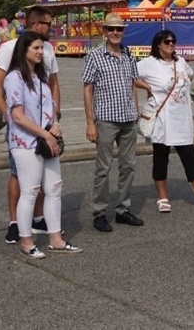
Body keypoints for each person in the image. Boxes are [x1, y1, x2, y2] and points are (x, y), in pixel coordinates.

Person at [3, 31, 81, 258]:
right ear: (24, 50)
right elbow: (17, 116)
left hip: (46, 140)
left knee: (54, 188)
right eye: (36, 48)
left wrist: (55, 125)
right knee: (30, 191)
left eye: (42, 48)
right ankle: (26, 242)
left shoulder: (42, 79)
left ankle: (56, 238)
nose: (41, 52)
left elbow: (51, 109)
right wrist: (45, 135)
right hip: (25, 142)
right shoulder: (14, 78)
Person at [0, 6, 61, 244]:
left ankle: (38, 217)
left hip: (45, 122)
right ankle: (15, 223)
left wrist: (55, 117)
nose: (51, 28)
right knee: (18, 174)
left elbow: (53, 83)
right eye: (48, 24)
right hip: (20, 124)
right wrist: (8, 116)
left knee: (43, 173)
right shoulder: (10, 48)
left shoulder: (48, 49)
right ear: (34, 23)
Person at [137, 30, 194, 213]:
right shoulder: (148, 64)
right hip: (162, 121)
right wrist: (147, 86)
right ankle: (162, 198)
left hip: (182, 120)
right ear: (158, 44)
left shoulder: (181, 62)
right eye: (167, 41)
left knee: (190, 159)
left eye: (173, 41)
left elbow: (190, 75)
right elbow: (129, 76)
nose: (171, 44)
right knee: (161, 160)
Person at [82, 12, 144, 232]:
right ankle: (99, 212)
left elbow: (132, 84)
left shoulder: (128, 54)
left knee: (128, 166)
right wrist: (90, 122)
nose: (116, 33)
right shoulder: (95, 56)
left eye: (119, 29)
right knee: (104, 168)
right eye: (112, 29)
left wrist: (136, 111)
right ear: (104, 32)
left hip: (128, 118)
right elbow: (88, 89)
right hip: (107, 119)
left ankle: (122, 210)